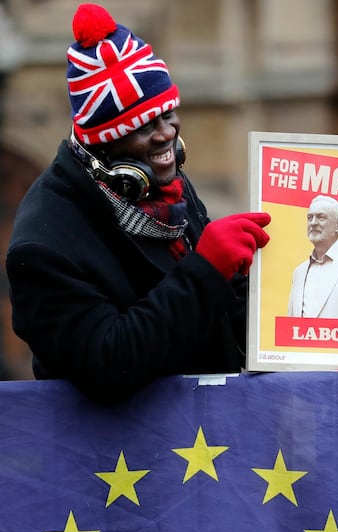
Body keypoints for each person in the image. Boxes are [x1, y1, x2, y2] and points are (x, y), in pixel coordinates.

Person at [6, 3, 271, 404]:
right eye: (144, 125)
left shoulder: (159, 184)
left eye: (168, 113)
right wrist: (206, 271)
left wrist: (302, 342)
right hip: (122, 461)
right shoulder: (41, 245)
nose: (167, 134)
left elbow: (220, 314)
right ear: (103, 142)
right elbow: (107, 363)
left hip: (213, 440)